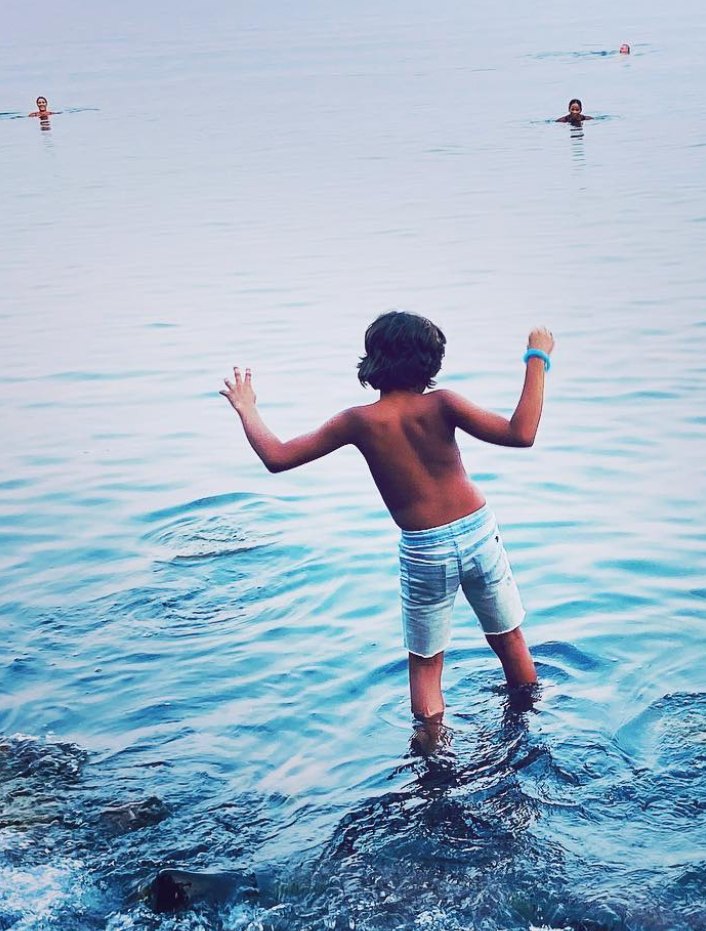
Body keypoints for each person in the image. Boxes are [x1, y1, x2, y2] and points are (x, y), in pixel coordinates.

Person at [220, 313, 555, 743]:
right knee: (509, 638)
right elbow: (521, 432)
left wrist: (247, 409)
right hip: (476, 530)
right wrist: (536, 357)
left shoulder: (358, 421)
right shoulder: (444, 404)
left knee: (426, 663)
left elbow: (278, 457)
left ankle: (433, 760)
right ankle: (530, 726)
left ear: (372, 360)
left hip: (424, 548)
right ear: (431, 364)